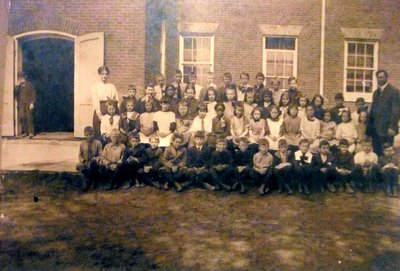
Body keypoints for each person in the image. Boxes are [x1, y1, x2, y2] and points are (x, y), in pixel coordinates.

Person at [367, 70, 400, 156]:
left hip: (387, 129)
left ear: (386, 78)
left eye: (381, 77)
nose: (379, 79)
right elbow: (372, 111)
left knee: (386, 152)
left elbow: (396, 110)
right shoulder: (376, 93)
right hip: (375, 129)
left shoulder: (394, 91)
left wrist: (392, 127)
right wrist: (369, 129)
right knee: (376, 152)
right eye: (378, 78)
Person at [92, 65, 119, 136]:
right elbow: (95, 100)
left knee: (111, 127)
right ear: (99, 74)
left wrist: (115, 112)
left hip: (110, 108)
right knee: (98, 129)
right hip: (100, 108)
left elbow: (116, 100)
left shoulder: (112, 86)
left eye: (106, 74)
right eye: (102, 74)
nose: (104, 76)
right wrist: (99, 114)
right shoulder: (96, 86)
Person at [77, 126, 103, 192]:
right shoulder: (82, 143)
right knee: (79, 165)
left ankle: (88, 184)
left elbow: (101, 155)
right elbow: (80, 155)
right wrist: (83, 161)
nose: (89, 136)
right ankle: (85, 183)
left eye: (91, 134)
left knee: (93, 163)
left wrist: (95, 159)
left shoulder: (98, 143)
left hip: (94, 164)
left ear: (93, 134)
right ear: (84, 135)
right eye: (87, 135)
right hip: (86, 162)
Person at [14, 71, 36, 138]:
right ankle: (26, 132)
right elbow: (15, 94)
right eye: (20, 77)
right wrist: (17, 86)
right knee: (22, 117)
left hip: (28, 103)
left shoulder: (29, 84)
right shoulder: (18, 86)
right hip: (21, 104)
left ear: (25, 77)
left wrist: (32, 103)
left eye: (22, 77)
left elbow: (33, 94)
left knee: (29, 118)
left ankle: (31, 133)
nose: (21, 79)